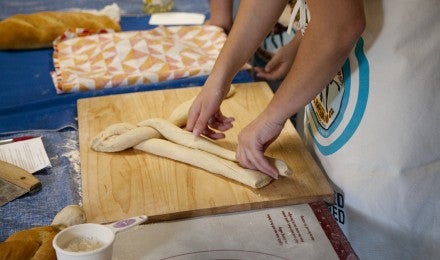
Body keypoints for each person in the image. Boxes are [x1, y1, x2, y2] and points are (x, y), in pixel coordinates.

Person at [187, 0, 440, 259]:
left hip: (394, 103)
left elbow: (339, 26)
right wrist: (219, 78)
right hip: (336, 84)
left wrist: (271, 117)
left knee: (380, 238)